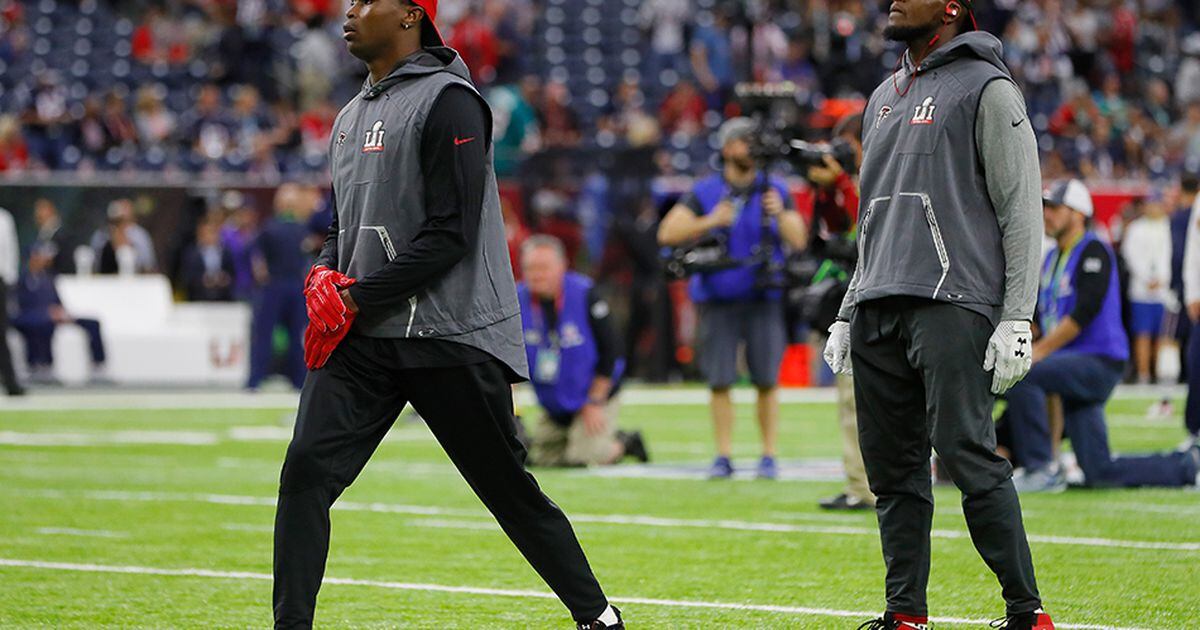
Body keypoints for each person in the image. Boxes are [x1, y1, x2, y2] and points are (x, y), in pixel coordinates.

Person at [272, 2, 623, 628]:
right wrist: (324, 272)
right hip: (368, 334)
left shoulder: (452, 100)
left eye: (364, 2)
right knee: (304, 471)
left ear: (411, 15)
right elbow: (341, 225)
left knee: (508, 492)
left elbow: (452, 232)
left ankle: (598, 616)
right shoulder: (350, 115)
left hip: (447, 331)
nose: (348, 13)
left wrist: (355, 294)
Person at [822, 2, 1053, 628]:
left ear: (951, 7)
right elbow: (875, 220)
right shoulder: (881, 97)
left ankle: (1027, 613)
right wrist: (848, 308)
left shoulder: (989, 87)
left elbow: (1021, 208)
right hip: (876, 305)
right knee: (892, 476)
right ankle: (906, 616)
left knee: (968, 456)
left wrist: (1017, 316)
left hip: (954, 301)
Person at [1004, 179, 1199, 490]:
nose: (1047, 215)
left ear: (1079, 213)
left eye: (1055, 208)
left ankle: (1039, 467)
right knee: (1099, 472)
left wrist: (1036, 353)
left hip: (1098, 361)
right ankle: (1185, 467)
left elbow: (1083, 314)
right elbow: (1043, 318)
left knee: (1026, 374)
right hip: (1073, 363)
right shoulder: (1052, 258)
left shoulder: (1094, 249)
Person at [657, 116, 808, 480]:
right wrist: (709, 222)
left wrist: (779, 214)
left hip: (763, 294)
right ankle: (723, 454)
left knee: (767, 379)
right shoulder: (706, 191)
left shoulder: (774, 188)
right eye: (744, 142)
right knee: (720, 379)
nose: (752, 149)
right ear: (727, 149)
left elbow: (799, 239)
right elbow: (668, 232)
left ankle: (768, 454)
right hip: (719, 295)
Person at [517, 235, 648, 467]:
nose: (536, 275)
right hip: (554, 401)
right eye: (530, 268)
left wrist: (595, 401)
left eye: (543, 268)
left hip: (593, 395)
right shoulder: (516, 300)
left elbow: (613, 352)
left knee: (584, 457)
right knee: (540, 460)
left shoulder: (586, 294)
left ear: (562, 266)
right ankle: (574, 435)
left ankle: (625, 443)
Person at [807, 114, 873, 512]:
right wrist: (825, 191)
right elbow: (835, 227)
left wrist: (844, 185)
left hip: (875, 297)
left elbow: (869, 223)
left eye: (847, 146)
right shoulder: (850, 183)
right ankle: (859, 485)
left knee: (863, 400)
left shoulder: (883, 175)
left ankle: (869, 486)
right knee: (849, 398)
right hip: (854, 296)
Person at [247, 184, 311, 391]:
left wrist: (262, 276)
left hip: (277, 284)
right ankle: (298, 381)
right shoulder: (301, 229)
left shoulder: (269, 227)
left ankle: (256, 381)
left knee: (265, 335)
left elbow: (256, 259)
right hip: (291, 285)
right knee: (295, 336)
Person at [13, 245, 107, 383]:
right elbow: (21, 307)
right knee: (42, 324)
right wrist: (46, 312)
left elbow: (57, 301)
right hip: (36, 317)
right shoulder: (22, 280)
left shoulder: (49, 278)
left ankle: (98, 365)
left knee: (92, 323)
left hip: (54, 314)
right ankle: (42, 365)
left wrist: (61, 312)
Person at [1120, 191, 1172, 384]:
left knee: (1161, 334)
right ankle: (1143, 374)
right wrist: (1146, 278)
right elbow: (1130, 256)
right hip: (1141, 290)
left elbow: (1169, 258)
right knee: (1142, 333)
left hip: (1162, 291)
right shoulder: (1136, 228)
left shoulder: (1167, 226)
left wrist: (1162, 279)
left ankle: (1158, 372)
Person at [180, 216, 235, 302]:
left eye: (213, 232)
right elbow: (186, 277)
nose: (211, 236)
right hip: (199, 299)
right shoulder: (192, 254)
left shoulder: (226, 252)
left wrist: (225, 279)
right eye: (207, 233)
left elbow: (233, 273)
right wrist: (203, 280)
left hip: (223, 299)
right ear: (201, 234)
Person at [0, 206, 24, 395]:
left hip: (0, 281)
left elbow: (11, 251)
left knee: (1, 334)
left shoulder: (4, 218)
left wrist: (10, 281)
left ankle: (10, 382)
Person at [32, 198, 75, 275]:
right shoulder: (43, 235)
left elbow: (49, 260)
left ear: (51, 211)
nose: (38, 213)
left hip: (61, 278)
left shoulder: (60, 235)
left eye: (42, 209)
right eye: (37, 210)